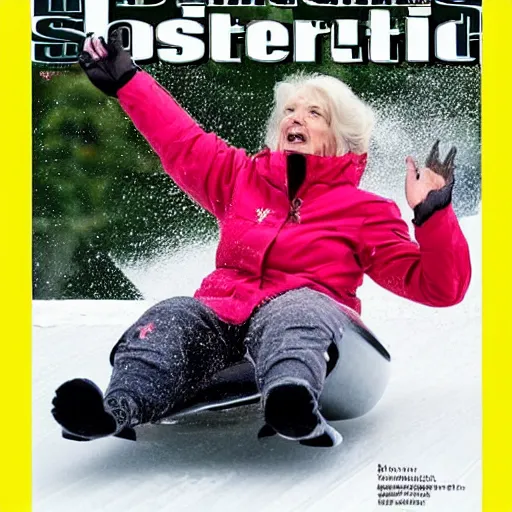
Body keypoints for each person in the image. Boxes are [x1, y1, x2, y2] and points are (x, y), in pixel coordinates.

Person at [51, 31, 471, 448]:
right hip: (224, 316)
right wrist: (129, 81)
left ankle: (291, 398)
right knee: (176, 313)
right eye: (289, 110)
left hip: (305, 322)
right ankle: (113, 409)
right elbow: (180, 141)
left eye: (314, 113)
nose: (295, 118)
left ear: (341, 138)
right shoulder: (241, 177)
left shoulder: (366, 211)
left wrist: (433, 214)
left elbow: (438, 287)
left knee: (297, 308)